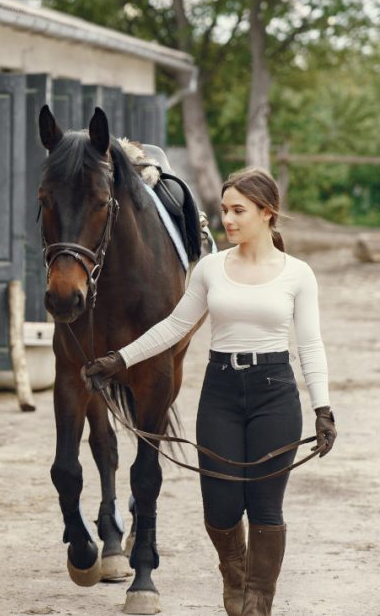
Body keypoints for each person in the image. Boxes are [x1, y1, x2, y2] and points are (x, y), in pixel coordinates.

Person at [82, 167, 337, 616]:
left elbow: (310, 345)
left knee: (264, 509)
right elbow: (175, 326)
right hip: (220, 392)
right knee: (220, 509)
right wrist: (119, 359)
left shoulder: (298, 275)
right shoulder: (211, 269)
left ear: (267, 213)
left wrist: (323, 408)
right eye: (224, 210)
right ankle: (234, 576)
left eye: (239, 210)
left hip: (274, 393)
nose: (228, 220)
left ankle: (255, 604)